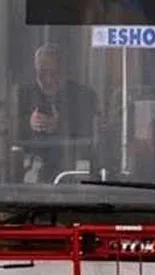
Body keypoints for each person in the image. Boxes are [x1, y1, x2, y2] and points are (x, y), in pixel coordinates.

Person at [15, 44, 98, 179]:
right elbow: (8, 131)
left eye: (54, 73)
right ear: (34, 71)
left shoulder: (83, 96)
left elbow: (91, 131)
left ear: (63, 72)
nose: (48, 79)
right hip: (30, 171)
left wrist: (61, 125)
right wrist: (29, 123)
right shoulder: (22, 96)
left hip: (72, 169)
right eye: (42, 73)